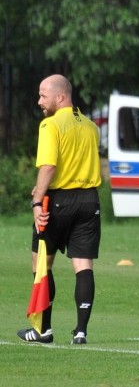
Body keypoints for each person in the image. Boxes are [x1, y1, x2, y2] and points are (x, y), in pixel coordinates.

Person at [18, 75, 102, 345]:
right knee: (83, 264)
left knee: (41, 261)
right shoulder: (90, 126)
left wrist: (36, 200)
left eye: (43, 95)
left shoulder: (50, 125)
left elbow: (49, 166)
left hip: (58, 202)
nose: (39, 101)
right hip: (90, 201)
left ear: (60, 97)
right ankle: (80, 331)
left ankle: (43, 330)